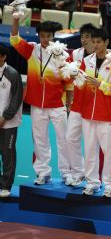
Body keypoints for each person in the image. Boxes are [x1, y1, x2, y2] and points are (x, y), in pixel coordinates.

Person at [10, 16, 71, 185]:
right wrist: (15, 20)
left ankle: (67, 173)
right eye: (42, 36)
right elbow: (14, 39)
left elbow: (69, 81)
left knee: (64, 139)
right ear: (38, 37)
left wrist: (69, 102)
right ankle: (43, 172)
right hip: (37, 104)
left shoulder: (62, 54)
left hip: (58, 104)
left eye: (49, 36)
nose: (45, 39)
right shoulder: (32, 50)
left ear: (53, 37)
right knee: (40, 140)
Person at [78, 28, 111, 198]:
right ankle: (92, 182)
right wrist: (75, 78)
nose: (95, 45)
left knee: (109, 151)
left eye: (98, 42)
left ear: (106, 42)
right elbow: (81, 85)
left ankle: (110, 185)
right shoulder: (87, 60)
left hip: (107, 114)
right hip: (88, 113)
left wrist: (101, 85)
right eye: (93, 42)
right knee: (89, 150)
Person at [65, 23, 97, 187]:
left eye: (87, 37)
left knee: (91, 145)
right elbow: (67, 77)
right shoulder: (76, 53)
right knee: (70, 138)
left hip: (93, 107)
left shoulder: (101, 56)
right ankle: (78, 173)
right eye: (82, 37)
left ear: (94, 39)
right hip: (77, 104)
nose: (84, 40)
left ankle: (94, 178)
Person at [0, 44, 23, 198]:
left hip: (8, 122)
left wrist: (5, 117)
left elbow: (16, 99)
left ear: (3, 57)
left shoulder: (13, 74)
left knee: (7, 153)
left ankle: (6, 186)